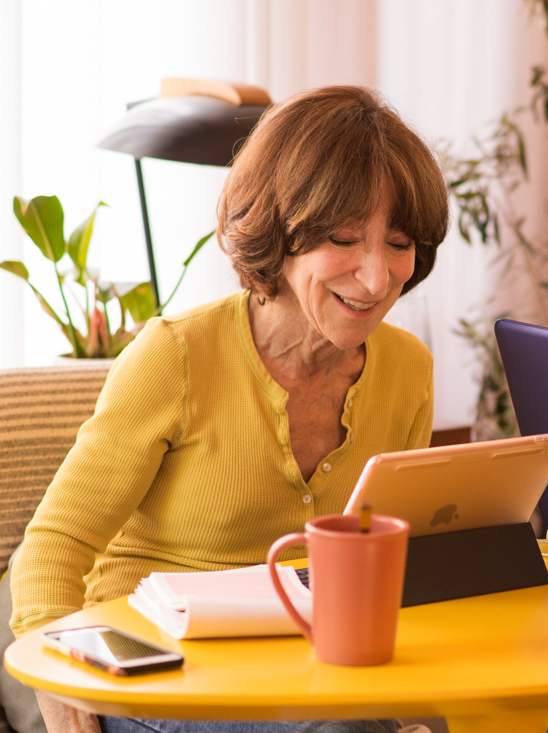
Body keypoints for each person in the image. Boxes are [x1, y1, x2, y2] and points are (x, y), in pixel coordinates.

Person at [10, 86, 449, 733]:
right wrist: (65, 700)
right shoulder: (177, 355)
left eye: (399, 242)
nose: (377, 277)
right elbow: (54, 545)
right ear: (279, 229)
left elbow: (398, 559)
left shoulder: (408, 369)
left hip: (309, 663)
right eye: (343, 238)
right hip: (156, 667)